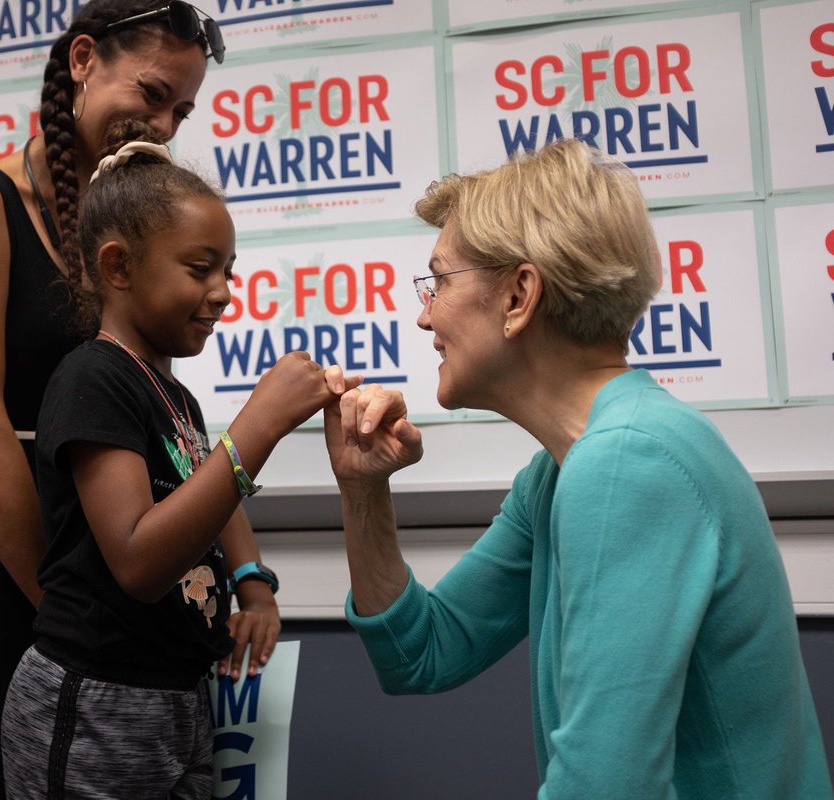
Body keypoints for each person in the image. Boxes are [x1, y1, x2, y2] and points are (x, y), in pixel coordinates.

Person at [323, 138, 834, 798]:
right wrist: (364, 490)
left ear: (518, 296)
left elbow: (605, 779)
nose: (423, 315)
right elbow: (422, 653)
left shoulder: (629, 461)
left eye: (439, 281)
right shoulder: (566, 469)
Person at [0, 4, 271, 798]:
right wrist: (74, 609)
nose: (163, 121)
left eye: (180, 109)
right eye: (151, 92)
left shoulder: (137, 231)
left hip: (112, 576)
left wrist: (250, 571)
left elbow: (174, 427)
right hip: (12, 555)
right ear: (83, 60)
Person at [0, 123, 348, 799]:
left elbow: (207, 487)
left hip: (176, 695)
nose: (222, 291)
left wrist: (253, 583)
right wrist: (260, 426)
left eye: (229, 273)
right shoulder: (90, 379)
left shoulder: (173, 394)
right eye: (199, 269)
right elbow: (138, 561)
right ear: (119, 267)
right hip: (98, 699)